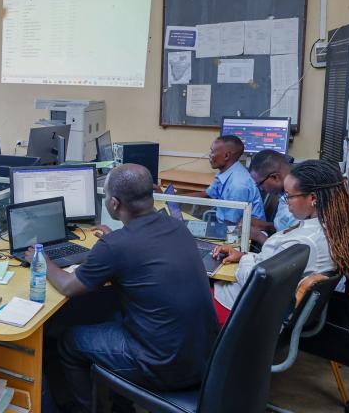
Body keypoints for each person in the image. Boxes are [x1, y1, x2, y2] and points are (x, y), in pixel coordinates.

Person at [27, 164, 218, 412]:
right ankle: (119, 404)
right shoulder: (176, 226)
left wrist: (41, 259)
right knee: (109, 310)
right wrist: (113, 239)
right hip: (204, 358)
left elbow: (68, 287)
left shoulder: (116, 245)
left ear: (114, 204)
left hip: (162, 366)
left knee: (68, 341)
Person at [212, 160, 349, 325]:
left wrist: (245, 260)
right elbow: (274, 264)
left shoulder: (303, 242)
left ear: (313, 198)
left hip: (242, 309)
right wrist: (244, 255)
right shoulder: (330, 227)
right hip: (267, 306)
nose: (286, 201)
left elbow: (255, 282)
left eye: (290, 196)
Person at [200, 135, 265, 224]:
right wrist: (175, 199)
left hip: (242, 232)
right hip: (228, 225)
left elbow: (231, 225)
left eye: (212, 152)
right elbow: (207, 194)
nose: (209, 156)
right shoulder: (226, 172)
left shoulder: (237, 185)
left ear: (226, 156)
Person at [248, 149, 297, 241]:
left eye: (260, 184)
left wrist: (258, 236)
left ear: (275, 177)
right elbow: (287, 226)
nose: (261, 189)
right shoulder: (284, 193)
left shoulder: (299, 201)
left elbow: (286, 250)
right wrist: (265, 225)